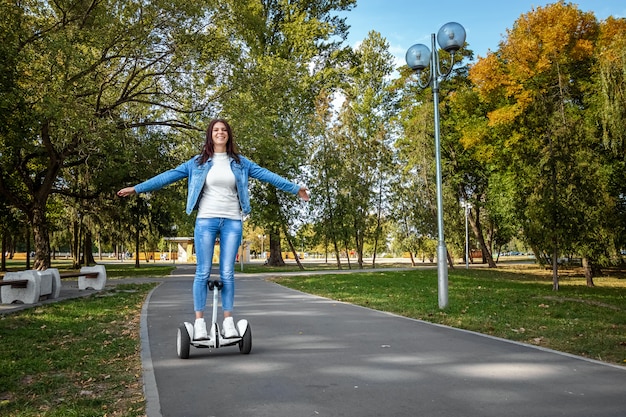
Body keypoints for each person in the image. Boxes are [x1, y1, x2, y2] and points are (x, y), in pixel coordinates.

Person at [117, 119, 309, 339]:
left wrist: (296, 189)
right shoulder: (197, 163)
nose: (220, 133)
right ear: (210, 135)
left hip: (232, 221)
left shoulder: (241, 163)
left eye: (224, 130)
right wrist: (138, 189)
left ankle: (228, 321)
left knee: (227, 272)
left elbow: (267, 175)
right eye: (216, 130)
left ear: (229, 135)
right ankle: (199, 323)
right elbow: (168, 176)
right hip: (206, 220)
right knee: (202, 271)